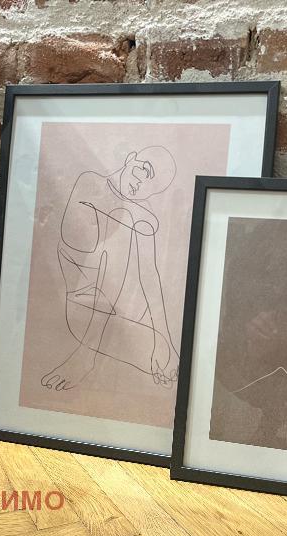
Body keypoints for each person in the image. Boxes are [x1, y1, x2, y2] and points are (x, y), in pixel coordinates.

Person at [40, 146, 179, 392]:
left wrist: (164, 337)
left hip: (109, 317)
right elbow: (80, 240)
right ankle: (84, 356)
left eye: (153, 187)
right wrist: (131, 215)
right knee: (125, 224)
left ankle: (147, 351)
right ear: (130, 158)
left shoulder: (138, 214)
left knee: (165, 356)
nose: (142, 185)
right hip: (74, 305)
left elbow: (150, 276)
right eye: (144, 171)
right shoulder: (91, 181)